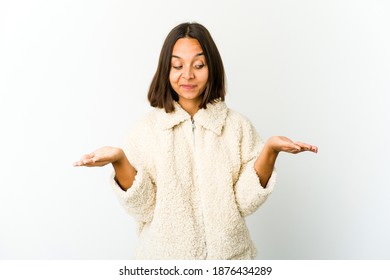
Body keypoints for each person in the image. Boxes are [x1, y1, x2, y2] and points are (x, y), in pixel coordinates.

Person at [73, 22, 318, 260]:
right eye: (177, 66)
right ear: (165, 70)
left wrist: (270, 150)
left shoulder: (237, 127)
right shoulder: (145, 130)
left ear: (212, 67)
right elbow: (143, 208)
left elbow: (244, 202)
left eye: (198, 65)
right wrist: (119, 160)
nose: (187, 75)